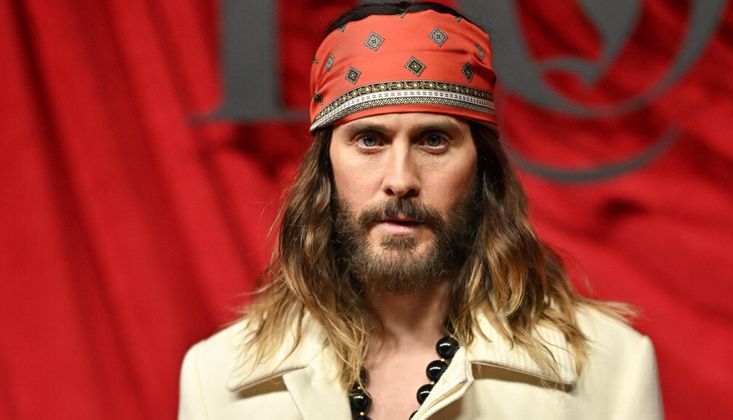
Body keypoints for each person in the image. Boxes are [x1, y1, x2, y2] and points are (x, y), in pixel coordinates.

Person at [178, 2, 663, 419]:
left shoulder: (611, 368)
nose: (400, 179)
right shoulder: (217, 379)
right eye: (370, 140)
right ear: (325, 167)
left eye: (433, 140)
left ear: (482, 167)